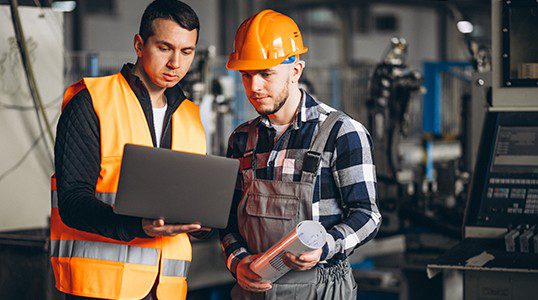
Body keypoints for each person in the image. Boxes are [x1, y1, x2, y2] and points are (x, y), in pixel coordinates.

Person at [51, 1, 211, 299]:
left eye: (186, 52)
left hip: (166, 290)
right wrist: (137, 226)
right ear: (139, 44)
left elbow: (191, 197)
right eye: (165, 48)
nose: (176, 63)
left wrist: (203, 223)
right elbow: (72, 201)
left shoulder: (190, 116)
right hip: (99, 288)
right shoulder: (92, 102)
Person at [220, 9, 382, 299]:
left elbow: (367, 215)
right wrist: (237, 260)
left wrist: (326, 246)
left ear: (295, 70)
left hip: (321, 289)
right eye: (246, 75)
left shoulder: (341, 132)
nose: (254, 87)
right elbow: (229, 219)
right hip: (253, 290)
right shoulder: (242, 139)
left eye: (265, 74)